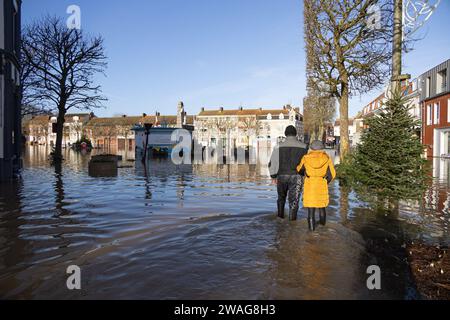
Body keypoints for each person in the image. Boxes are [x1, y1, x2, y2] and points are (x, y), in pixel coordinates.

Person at [269, 126, 308, 221]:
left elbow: (272, 162)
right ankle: (292, 223)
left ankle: (280, 219)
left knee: (281, 198)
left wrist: (273, 176)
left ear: (285, 134)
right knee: (294, 201)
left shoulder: (278, 146)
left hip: (281, 175)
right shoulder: (304, 147)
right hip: (297, 176)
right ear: (296, 134)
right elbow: (307, 163)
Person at [297, 140, 336, 231]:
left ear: (311, 148)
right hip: (321, 184)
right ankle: (322, 229)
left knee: (311, 210)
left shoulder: (305, 158)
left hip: (310, 184)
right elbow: (333, 174)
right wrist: (326, 181)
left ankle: (311, 232)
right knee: (322, 208)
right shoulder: (327, 158)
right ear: (322, 148)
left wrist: (305, 173)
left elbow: (299, 169)